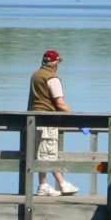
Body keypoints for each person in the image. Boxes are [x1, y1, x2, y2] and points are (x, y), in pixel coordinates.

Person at [28, 50, 78, 196]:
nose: (58, 66)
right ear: (54, 63)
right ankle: (51, 185)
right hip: (47, 122)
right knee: (47, 153)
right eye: (58, 62)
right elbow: (60, 103)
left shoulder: (35, 75)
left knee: (42, 153)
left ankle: (54, 184)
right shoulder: (52, 79)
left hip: (33, 120)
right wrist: (76, 118)